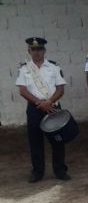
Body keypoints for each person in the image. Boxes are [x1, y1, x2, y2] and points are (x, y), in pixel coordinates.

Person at [16, 37, 70, 182]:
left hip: (53, 107)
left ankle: (60, 170)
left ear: (44, 50)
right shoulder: (24, 69)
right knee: (35, 141)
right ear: (29, 51)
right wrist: (39, 102)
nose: (37, 52)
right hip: (34, 108)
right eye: (33, 49)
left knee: (57, 140)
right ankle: (37, 172)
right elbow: (23, 91)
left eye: (39, 49)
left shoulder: (54, 67)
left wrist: (49, 102)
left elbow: (60, 89)